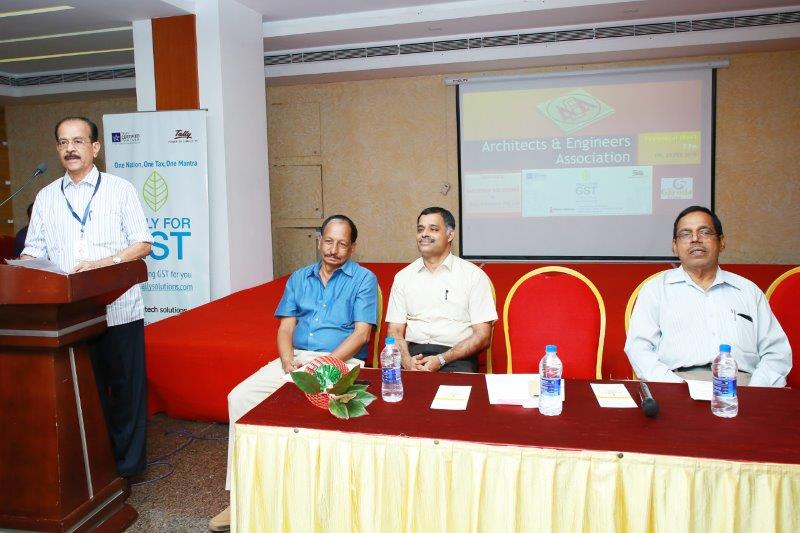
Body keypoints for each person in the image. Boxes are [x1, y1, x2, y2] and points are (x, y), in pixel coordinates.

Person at [209, 214, 377, 532]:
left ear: (353, 247)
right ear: (319, 241)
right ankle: (242, 495)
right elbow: (286, 328)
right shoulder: (299, 278)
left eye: (342, 244)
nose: (334, 249)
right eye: (329, 241)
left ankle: (317, 498)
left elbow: (361, 334)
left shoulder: (363, 280)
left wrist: (324, 364)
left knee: (311, 404)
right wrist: (287, 361)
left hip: (342, 361)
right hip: (296, 358)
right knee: (240, 397)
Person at [21, 117, 153, 475]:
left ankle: (128, 468)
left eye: (78, 141)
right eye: (63, 143)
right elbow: (33, 251)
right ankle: (97, 469)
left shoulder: (120, 189)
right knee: (85, 394)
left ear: (95, 147)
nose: (70, 149)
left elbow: (142, 243)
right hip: (71, 316)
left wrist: (103, 263)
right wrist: (18, 270)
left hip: (119, 308)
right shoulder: (47, 197)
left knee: (125, 391)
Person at [625, 205, 792, 387]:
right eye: (685, 234)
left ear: (721, 242)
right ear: (675, 246)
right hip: (677, 383)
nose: (695, 239)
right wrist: (675, 388)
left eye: (704, 232)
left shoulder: (748, 291)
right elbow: (639, 349)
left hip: (743, 385)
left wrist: (756, 391)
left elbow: (777, 353)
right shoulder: (656, 290)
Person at [386, 207, 496, 373]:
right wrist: (407, 361)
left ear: (450, 235)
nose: (424, 234)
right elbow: (394, 330)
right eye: (420, 229)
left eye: (433, 229)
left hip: (457, 358)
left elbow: (483, 336)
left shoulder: (473, 276)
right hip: (413, 356)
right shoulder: (403, 277)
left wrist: (441, 359)